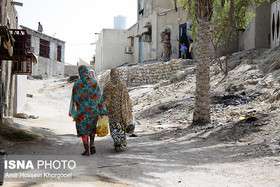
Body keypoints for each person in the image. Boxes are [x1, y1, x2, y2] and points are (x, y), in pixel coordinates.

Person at [69, 65, 107, 156]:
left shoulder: (77, 84)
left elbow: (74, 98)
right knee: (92, 129)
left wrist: (72, 110)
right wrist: (102, 110)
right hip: (93, 111)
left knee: (83, 131)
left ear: (80, 72)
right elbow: (99, 97)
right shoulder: (94, 82)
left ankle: (86, 150)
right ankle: (92, 144)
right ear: (87, 71)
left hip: (81, 113)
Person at [103, 69, 133, 152]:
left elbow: (105, 99)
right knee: (121, 127)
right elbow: (127, 98)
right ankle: (121, 142)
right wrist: (128, 109)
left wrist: (103, 107)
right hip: (121, 111)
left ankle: (117, 143)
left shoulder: (108, 85)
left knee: (114, 127)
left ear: (111, 74)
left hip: (112, 112)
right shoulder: (122, 84)